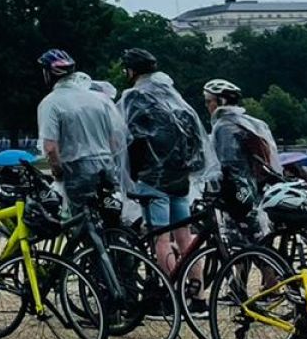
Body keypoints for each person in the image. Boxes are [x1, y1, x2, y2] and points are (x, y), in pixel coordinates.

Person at [117, 48, 207, 278]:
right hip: (180, 177)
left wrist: (132, 174)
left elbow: (132, 138)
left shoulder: (135, 97)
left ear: (131, 71)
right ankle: (197, 294)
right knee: (185, 236)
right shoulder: (172, 96)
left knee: (161, 237)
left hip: (153, 178)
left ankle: (170, 290)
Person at [35, 49, 126, 210]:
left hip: (77, 168)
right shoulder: (98, 98)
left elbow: (50, 148)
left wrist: (58, 172)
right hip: (106, 165)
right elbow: (114, 140)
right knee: (107, 213)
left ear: (49, 74)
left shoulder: (51, 103)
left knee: (80, 219)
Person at [201, 78, 281, 225]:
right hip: (255, 185)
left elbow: (227, 161)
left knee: (238, 230)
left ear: (221, 101)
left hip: (237, 188)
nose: (206, 105)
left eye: (208, 101)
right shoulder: (248, 122)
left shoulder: (224, 126)